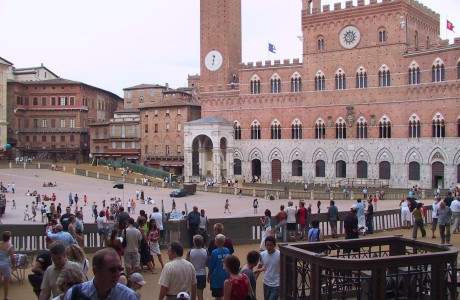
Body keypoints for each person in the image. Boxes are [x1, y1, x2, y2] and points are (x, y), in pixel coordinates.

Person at [63, 247, 138, 300]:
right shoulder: (74, 293)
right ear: (95, 271)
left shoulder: (129, 297)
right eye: (112, 270)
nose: (118, 274)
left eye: (120, 269)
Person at [257, 236, 280, 300]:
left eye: (271, 245)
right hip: (266, 282)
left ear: (275, 245)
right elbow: (259, 267)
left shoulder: (280, 255)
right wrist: (255, 277)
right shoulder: (262, 255)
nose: (269, 247)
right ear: (265, 245)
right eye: (267, 245)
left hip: (277, 284)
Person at [208, 234, 230, 300]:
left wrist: (209, 274)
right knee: (222, 293)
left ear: (216, 242)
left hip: (216, 278)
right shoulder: (227, 250)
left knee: (218, 296)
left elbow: (211, 265)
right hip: (225, 275)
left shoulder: (214, 252)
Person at [186, 235, 208, 300]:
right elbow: (207, 263)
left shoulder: (190, 251)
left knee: (192, 294)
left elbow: (187, 263)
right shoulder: (206, 251)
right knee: (200, 294)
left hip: (193, 273)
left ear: (194, 242)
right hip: (202, 274)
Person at [0, 231, 16, 300]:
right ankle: (5, 297)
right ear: (9, 238)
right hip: (5, 264)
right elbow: (12, 258)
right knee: (6, 282)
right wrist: (14, 265)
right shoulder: (10, 246)